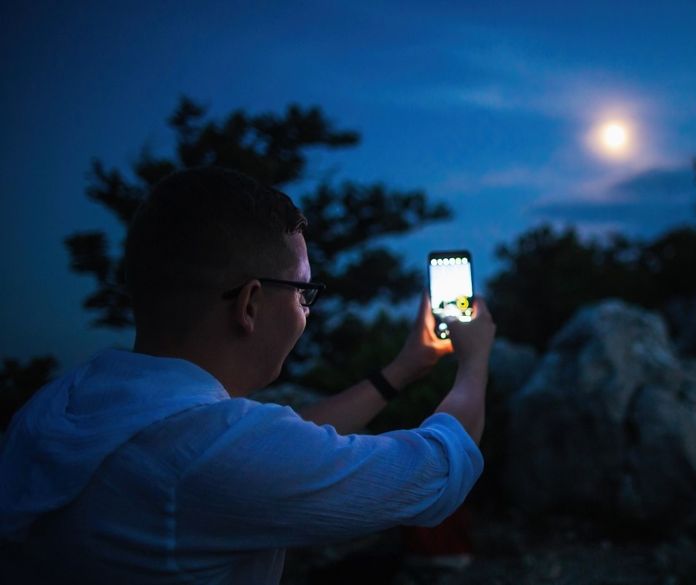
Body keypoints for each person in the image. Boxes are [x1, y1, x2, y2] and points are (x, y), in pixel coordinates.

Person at [0, 167, 495, 584]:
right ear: (251, 303)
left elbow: (283, 442)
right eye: (303, 293)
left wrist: (404, 369)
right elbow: (435, 470)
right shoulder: (205, 455)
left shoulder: (60, 405)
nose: (307, 311)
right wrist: (474, 358)